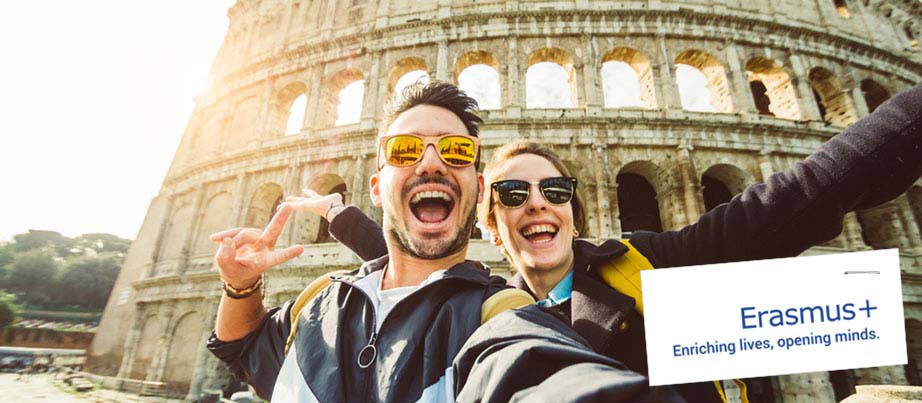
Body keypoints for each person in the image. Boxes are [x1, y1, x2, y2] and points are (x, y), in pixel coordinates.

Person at [289, 83, 922, 402]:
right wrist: (340, 215)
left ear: (572, 208)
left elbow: (800, 197)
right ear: (487, 224)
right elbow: (403, 245)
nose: (536, 203)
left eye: (555, 192)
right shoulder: (478, 307)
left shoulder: (645, 264)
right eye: (511, 195)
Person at [206, 81, 682, 402]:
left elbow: (540, 371)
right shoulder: (321, 297)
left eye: (455, 151)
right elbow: (242, 349)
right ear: (376, 186)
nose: (431, 163)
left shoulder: (500, 317)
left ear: (476, 190)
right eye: (406, 150)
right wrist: (240, 287)